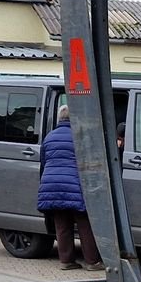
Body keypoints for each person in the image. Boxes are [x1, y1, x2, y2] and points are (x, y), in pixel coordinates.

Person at [37, 104, 102, 270]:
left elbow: (44, 162)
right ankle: (92, 262)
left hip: (51, 185)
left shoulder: (49, 137)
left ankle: (66, 261)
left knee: (62, 225)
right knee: (84, 224)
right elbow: (89, 163)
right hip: (74, 185)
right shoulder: (81, 137)